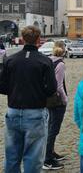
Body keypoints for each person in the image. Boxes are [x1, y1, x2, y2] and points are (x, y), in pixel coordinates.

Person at [0, 25, 57, 173]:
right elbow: (51, 89)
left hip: (13, 111)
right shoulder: (45, 62)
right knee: (33, 158)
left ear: (22, 39)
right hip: (35, 113)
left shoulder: (10, 60)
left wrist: (15, 90)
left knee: (11, 156)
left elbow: (2, 87)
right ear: (39, 40)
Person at [43, 41, 68, 170]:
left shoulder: (49, 61)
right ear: (63, 50)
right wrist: (65, 99)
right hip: (57, 101)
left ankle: (50, 152)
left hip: (48, 100)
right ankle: (47, 158)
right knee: (54, 129)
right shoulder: (60, 64)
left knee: (50, 127)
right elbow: (59, 86)